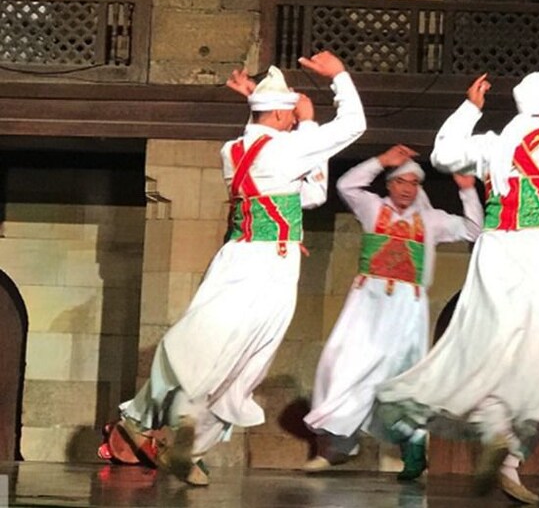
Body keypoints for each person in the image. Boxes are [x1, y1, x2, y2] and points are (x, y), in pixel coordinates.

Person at [375, 71, 539, 504]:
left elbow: (442, 154)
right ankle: (518, 451)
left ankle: (502, 442)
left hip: (496, 252)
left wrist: (470, 107)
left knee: (496, 347)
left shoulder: (494, 144)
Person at [107, 52, 365, 486]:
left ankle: (177, 435)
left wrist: (281, 114)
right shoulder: (287, 146)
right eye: (289, 112)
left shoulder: (234, 150)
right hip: (266, 265)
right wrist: (333, 84)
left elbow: (306, 196)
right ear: (281, 115)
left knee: (228, 352)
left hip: (243, 255)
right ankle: (165, 426)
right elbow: (355, 125)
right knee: (237, 357)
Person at [302, 144, 483, 481]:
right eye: (401, 181)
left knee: (400, 378)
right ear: (389, 184)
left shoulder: (430, 221)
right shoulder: (371, 208)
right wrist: (380, 161)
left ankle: (413, 452)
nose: (406, 189)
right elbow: (346, 186)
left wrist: (468, 189)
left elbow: (474, 230)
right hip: (366, 303)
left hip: (406, 308)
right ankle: (338, 446)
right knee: (340, 365)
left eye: (414, 184)